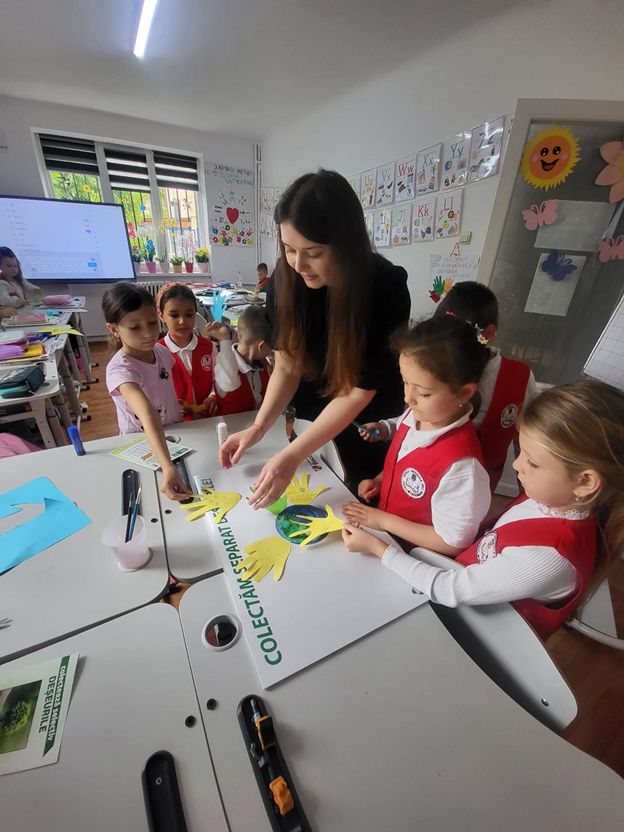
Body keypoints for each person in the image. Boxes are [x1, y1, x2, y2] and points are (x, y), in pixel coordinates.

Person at [343, 379, 624, 640]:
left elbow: (449, 589)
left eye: (532, 462)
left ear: (586, 482)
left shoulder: (550, 557)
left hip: (481, 637)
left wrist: (378, 549)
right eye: (522, 453)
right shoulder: (552, 500)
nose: (516, 465)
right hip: (464, 596)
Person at [219, 169, 410, 505]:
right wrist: (259, 428)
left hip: (367, 423)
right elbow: (287, 366)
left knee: (360, 501)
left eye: (314, 253)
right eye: (289, 249)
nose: (298, 264)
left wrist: (292, 455)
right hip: (313, 419)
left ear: (346, 244)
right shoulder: (285, 280)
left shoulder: (385, 287)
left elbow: (358, 392)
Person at [342, 315, 491, 555]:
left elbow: (452, 543)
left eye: (423, 393)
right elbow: (405, 450)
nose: (408, 398)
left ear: (464, 393)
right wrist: (380, 480)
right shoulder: (418, 414)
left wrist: (383, 521)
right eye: (405, 382)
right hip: (385, 541)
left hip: (411, 559)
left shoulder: (463, 469)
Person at [435, 281, 537, 491]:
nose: (446, 347)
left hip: (482, 485)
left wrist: (526, 494)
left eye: (456, 339)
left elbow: (526, 439)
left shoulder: (519, 377)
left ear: (488, 333)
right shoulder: (433, 366)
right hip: (429, 478)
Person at [103, 282, 190, 501]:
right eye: (135, 327)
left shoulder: (160, 351)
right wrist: (167, 467)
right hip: (140, 444)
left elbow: (166, 384)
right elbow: (147, 414)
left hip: (174, 435)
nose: (149, 333)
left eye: (152, 323)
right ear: (114, 329)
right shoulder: (120, 370)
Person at [156, 283, 240, 421]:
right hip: (177, 424)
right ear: (161, 315)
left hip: (209, 419)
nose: (182, 321)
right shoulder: (157, 352)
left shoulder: (208, 346)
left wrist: (212, 395)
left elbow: (218, 380)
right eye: (174, 315)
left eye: (189, 315)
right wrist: (171, 405)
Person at [217, 304, 273, 414]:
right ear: (261, 346)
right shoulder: (226, 370)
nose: (273, 350)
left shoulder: (263, 365)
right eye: (273, 346)